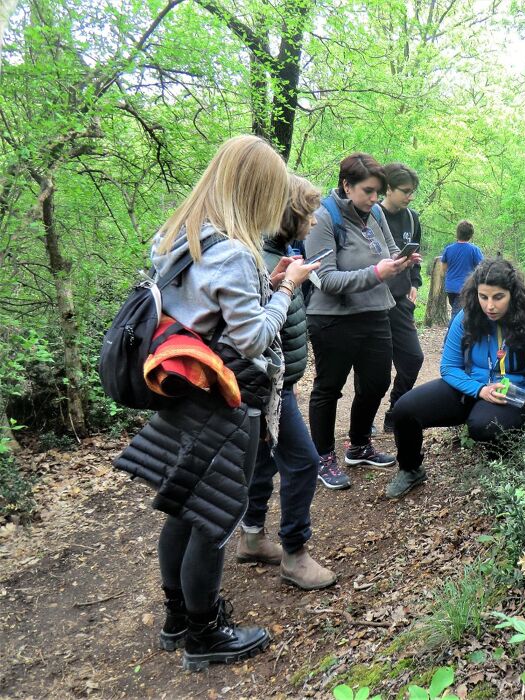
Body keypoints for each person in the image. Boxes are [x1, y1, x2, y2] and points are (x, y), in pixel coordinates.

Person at [114, 136, 317, 670]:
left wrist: (261, 286)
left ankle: (177, 618)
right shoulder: (231, 251)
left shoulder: (179, 239)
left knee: (182, 508)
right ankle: (205, 634)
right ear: (254, 191)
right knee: (214, 519)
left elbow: (206, 308)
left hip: (183, 393)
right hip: (227, 402)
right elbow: (252, 340)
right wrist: (286, 289)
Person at [384, 258, 525, 499]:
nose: (489, 306)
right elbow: (448, 367)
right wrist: (480, 390)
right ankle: (411, 469)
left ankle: (500, 471)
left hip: (512, 394)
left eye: (498, 297)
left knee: (483, 425)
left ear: (513, 294)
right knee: (404, 409)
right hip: (469, 386)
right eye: (483, 297)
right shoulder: (466, 317)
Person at [236, 175, 337, 590]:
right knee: (303, 461)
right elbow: (251, 328)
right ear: (290, 214)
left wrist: (282, 281)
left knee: (262, 461)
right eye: (309, 213)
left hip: (273, 384)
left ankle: (252, 537)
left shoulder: (278, 252)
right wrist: (287, 284)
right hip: (266, 385)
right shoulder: (256, 254)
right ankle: (295, 553)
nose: (314, 221)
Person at [305, 152, 419, 489]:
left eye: (377, 192)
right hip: (333, 318)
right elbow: (324, 279)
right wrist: (375, 273)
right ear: (346, 185)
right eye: (368, 191)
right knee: (329, 388)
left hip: (375, 313)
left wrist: (400, 262)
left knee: (376, 382)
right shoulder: (323, 218)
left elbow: (385, 252)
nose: (374, 199)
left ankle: (359, 445)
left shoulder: (374, 214)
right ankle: (323, 457)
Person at [375, 162, 424, 433]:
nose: (410, 196)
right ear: (388, 189)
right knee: (374, 370)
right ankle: (364, 422)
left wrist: (414, 282)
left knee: (413, 359)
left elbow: (415, 255)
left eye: (412, 191)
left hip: (401, 302)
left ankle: (396, 410)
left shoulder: (412, 217)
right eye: (405, 191)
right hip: (373, 302)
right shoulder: (371, 215)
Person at [442, 220, 483, 318]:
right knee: (457, 315)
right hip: (466, 288)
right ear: (471, 235)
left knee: (458, 311)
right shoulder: (474, 250)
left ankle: (462, 331)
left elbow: (443, 268)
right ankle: (451, 332)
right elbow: (482, 268)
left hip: (450, 288)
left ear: (457, 233)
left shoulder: (449, 249)